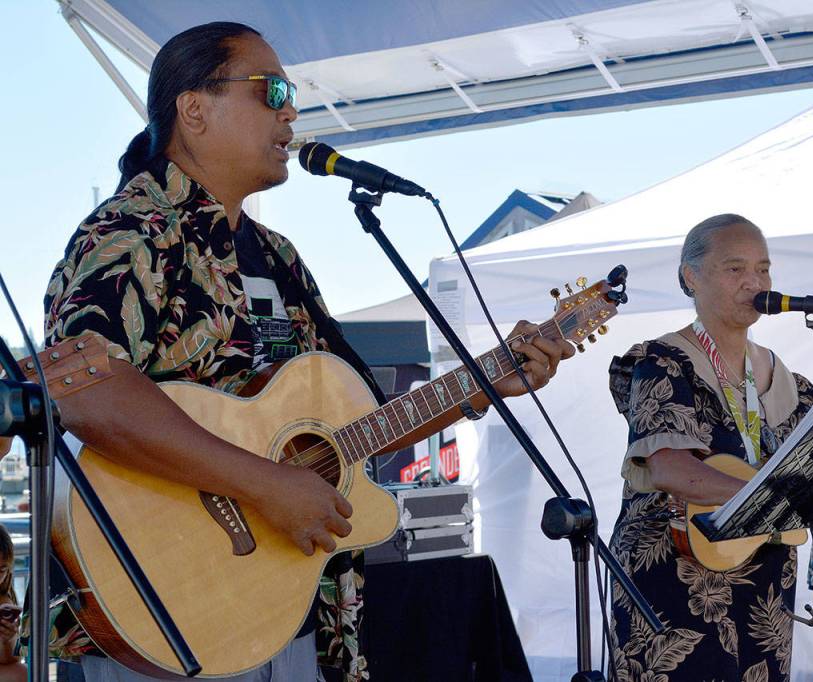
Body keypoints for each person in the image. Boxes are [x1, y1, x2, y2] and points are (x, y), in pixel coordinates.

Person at [42, 22, 573, 682]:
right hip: (162, 614)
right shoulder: (131, 233)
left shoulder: (278, 257)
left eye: (290, 96)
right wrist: (266, 484)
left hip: (291, 608)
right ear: (194, 108)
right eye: (272, 91)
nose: (291, 112)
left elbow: (350, 432)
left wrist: (481, 386)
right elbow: (85, 391)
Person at [607, 214, 813, 681]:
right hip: (673, 580)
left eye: (763, 269)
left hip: (764, 585)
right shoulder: (663, 362)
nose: (754, 281)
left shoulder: (787, 380)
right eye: (735, 268)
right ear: (691, 276)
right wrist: (774, 499)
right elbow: (669, 469)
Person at [0, 526, 25, 682]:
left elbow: (11, 661)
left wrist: (7, 640)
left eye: (1, 570)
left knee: (22, 673)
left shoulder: (3, 601)